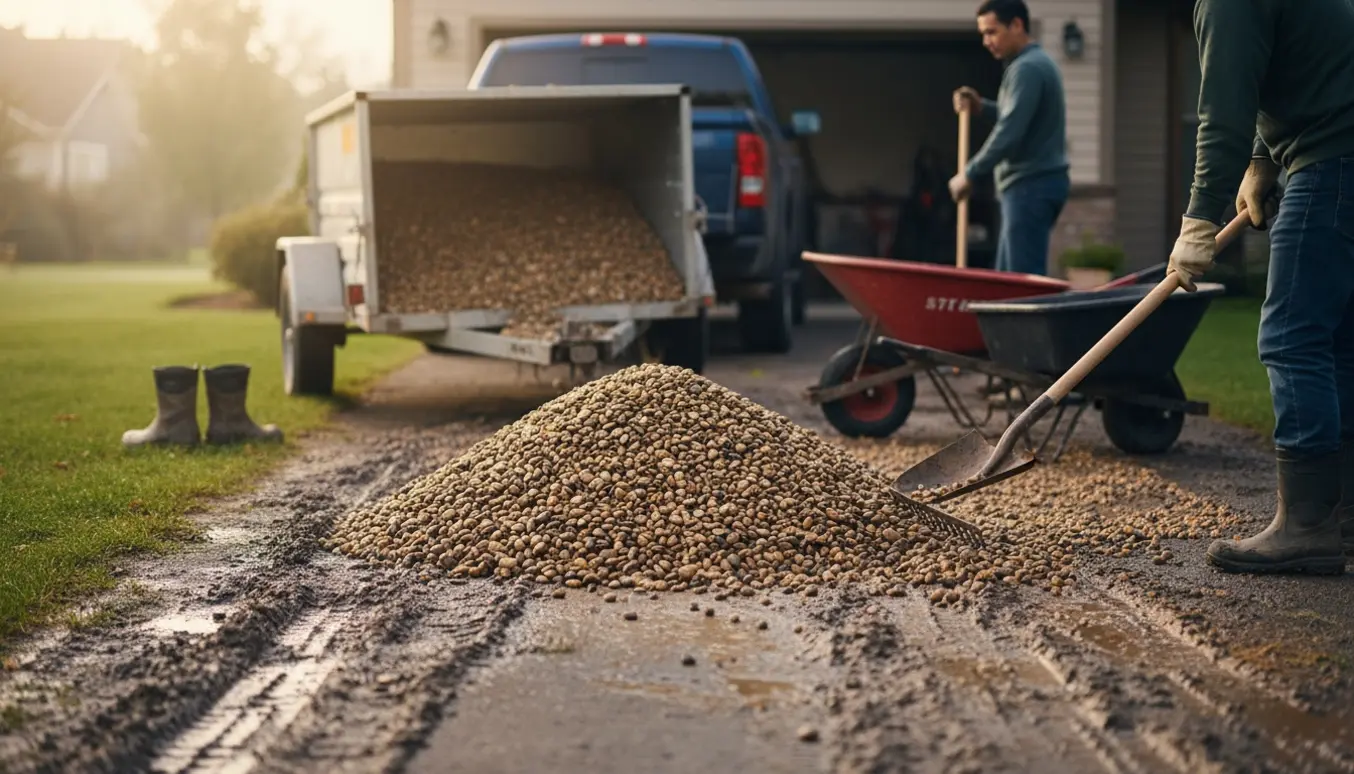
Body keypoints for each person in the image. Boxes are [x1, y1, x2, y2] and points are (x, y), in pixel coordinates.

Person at [1169, 0, 1354, 575]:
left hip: (1331, 162)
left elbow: (1223, 108)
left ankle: (1305, 524)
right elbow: (1292, 65)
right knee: (1337, 339)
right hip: (1340, 152)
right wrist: (1261, 160)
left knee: (1293, 336)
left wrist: (1199, 218)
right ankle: (1341, 513)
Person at [950, 0, 1070, 277]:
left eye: (992, 32)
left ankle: (1026, 323)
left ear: (1016, 25)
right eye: (983, 34)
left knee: (1019, 283)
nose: (986, 41)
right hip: (1034, 185)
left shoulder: (1026, 69)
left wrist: (970, 173)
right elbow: (1017, 117)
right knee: (1007, 279)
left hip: (1030, 185)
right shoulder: (1034, 64)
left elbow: (1010, 132)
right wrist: (982, 106)